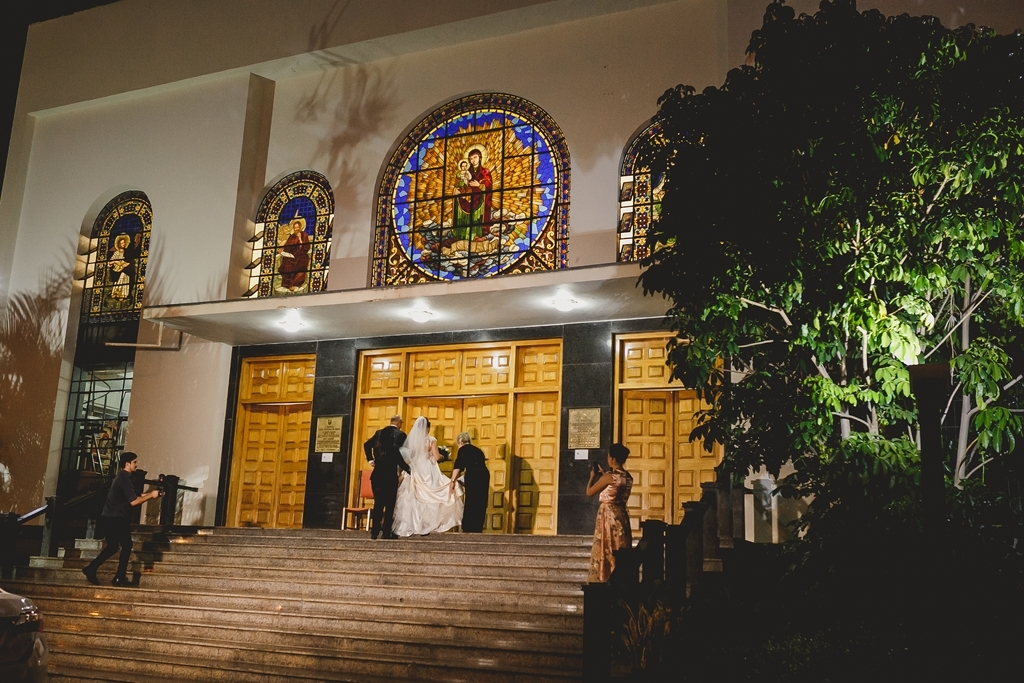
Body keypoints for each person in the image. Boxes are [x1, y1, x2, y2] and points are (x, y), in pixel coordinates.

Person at [82, 451, 164, 586]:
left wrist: (151, 494)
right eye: (134, 462)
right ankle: (119, 577)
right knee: (126, 545)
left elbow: (133, 496)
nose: (136, 465)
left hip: (110, 517)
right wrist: (151, 496)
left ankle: (91, 568)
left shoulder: (122, 477)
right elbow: (133, 502)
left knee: (113, 547)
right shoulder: (124, 478)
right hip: (116, 518)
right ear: (128, 464)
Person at [392, 416, 463, 537]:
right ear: (428, 428)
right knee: (433, 496)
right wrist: (443, 456)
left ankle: (416, 524)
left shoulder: (412, 441)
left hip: (415, 469)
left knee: (415, 497)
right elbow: (436, 457)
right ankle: (427, 525)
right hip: (427, 469)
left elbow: (409, 456)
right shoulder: (430, 439)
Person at [586, 443, 633, 583]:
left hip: (608, 515)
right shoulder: (628, 476)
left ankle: (604, 577)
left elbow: (589, 492)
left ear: (612, 458)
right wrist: (604, 475)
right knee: (620, 545)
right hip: (622, 514)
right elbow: (616, 487)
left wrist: (592, 477)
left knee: (607, 547)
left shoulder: (609, 477)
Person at [362, 415, 410, 539]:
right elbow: (402, 463)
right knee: (390, 505)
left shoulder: (378, 435)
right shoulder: (396, 444)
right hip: (390, 478)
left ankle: (374, 532)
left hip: (377, 476)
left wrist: (370, 459)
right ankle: (386, 532)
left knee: (378, 504)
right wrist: (412, 471)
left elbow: (367, 445)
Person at [450, 431, 489, 533]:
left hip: (473, 475)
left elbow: (458, 465)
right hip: (484, 475)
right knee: (481, 500)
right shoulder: (478, 450)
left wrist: (452, 481)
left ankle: (469, 527)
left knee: (471, 500)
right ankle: (478, 526)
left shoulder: (463, 449)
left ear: (461, 442)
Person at [452, 148, 492, 242]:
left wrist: (479, 185)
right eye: (471, 158)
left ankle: (476, 234)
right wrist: (456, 190)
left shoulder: (485, 171)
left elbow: (488, 183)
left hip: (479, 199)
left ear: (480, 157)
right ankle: (461, 234)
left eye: (475, 157)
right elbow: (461, 183)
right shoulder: (466, 171)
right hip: (467, 197)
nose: (473, 160)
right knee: (460, 200)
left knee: (476, 216)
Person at [278, 214, 310, 291]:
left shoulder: (304, 235)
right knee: (287, 263)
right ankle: (287, 284)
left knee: (301, 263)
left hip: (301, 255)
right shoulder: (292, 236)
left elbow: (306, 247)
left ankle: (295, 283)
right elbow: (287, 246)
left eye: (297, 227)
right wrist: (282, 250)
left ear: (300, 227)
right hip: (292, 255)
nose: (296, 229)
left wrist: (300, 239)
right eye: (295, 228)